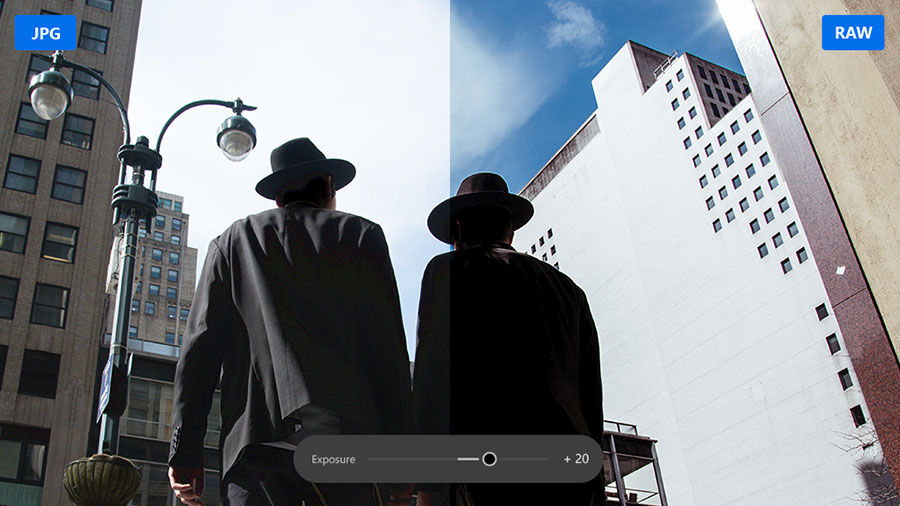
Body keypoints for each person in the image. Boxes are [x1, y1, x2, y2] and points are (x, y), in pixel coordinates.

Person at [167, 138, 412, 505]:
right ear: (329, 187)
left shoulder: (231, 243)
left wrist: (185, 452)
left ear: (278, 197)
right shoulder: (362, 235)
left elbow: (199, 354)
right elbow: (388, 355)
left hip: (258, 447)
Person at [413, 172, 604, 506]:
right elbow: (591, 399)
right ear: (510, 228)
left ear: (457, 228)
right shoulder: (570, 291)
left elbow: (433, 383)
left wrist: (430, 486)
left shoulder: (448, 271)